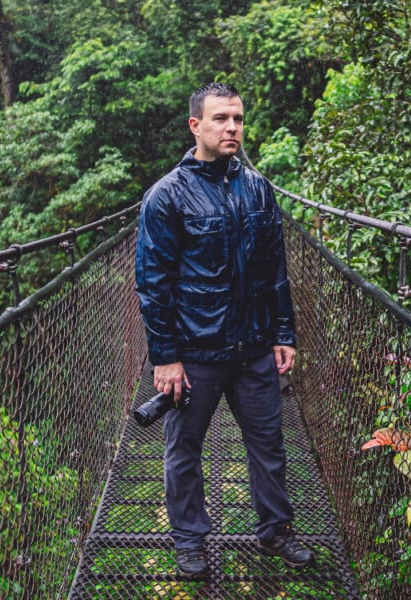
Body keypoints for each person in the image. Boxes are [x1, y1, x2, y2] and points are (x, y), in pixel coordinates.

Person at [134, 82, 312, 578]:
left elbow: (275, 267)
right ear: (196, 126)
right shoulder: (165, 196)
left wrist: (284, 333)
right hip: (195, 353)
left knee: (269, 443)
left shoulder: (257, 187)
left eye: (236, 118)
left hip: (254, 346)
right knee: (184, 449)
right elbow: (152, 284)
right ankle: (190, 540)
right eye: (220, 119)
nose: (231, 127)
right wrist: (165, 359)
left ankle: (276, 531)